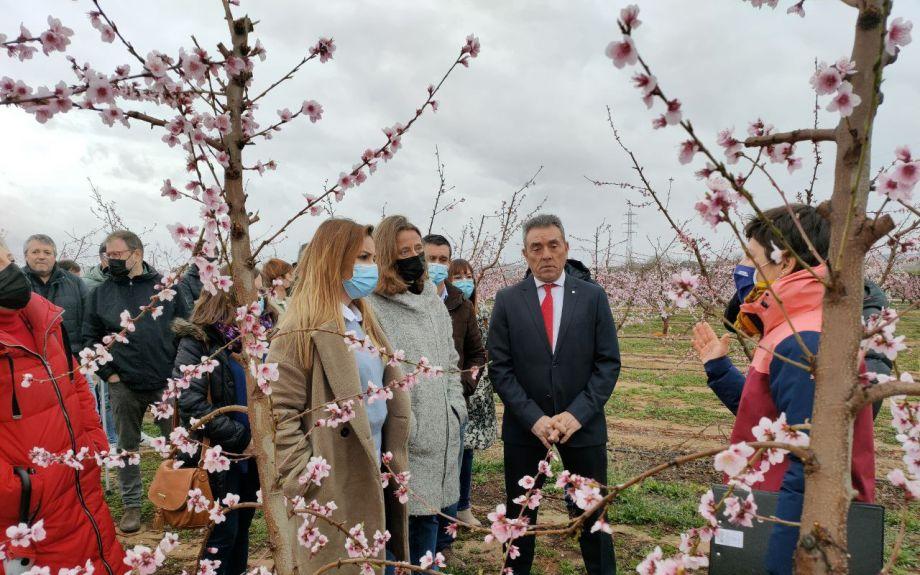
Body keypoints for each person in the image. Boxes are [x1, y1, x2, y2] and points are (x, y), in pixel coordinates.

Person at [691, 204, 875, 575]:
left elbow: (809, 469)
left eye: (754, 259)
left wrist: (781, 563)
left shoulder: (805, 337)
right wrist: (719, 369)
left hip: (785, 520)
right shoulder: (796, 326)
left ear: (786, 263)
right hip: (771, 504)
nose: (748, 270)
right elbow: (777, 422)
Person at [270, 218, 411, 574]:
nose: (371, 267)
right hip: (334, 476)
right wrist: (304, 478)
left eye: (373, 258)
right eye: (362, 257)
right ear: (333, 259)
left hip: (374, 462)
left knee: (375, 558)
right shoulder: (299, 329)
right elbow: (280, 412)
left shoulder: (363, 319)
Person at [488, 214, 620, 575]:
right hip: (526, 429)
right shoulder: (508, 300)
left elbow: (607, 363)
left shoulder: (592, 297)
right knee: (520, 517)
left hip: (583, 426)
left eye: (552, 245)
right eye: (536, 247)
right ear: (525, 254)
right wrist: (534, 418)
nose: (545, 254)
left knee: (592, 514)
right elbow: (500, 368)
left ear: (565, 249)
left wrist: (577, 414)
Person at [0, 238, 127, 574]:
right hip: (28, 513)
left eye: (8, 260)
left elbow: (74, 383)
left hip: (79, 483)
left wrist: (92, 440)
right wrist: (19, 489)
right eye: (1, 265)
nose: (9, 271)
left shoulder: (44, 320)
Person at [368, 216, 467, 566]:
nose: (413, 257)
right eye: (403, 251)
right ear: (385, 255)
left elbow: (451, 358)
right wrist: (408, 423)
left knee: (431, 531)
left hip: (443, 432)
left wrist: (456, 406)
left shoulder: (429, 297)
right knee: (404, 536)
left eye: (417, 250)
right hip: (406, 438)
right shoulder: (374, 305)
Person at [82, 230, 189, 533]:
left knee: (176, 443)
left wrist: (179, 370)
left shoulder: (165, 288)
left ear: (137, 254)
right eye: (107, 255)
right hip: (124, 384)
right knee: (127, 448)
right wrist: (109, 375)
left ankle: (175, 500)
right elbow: (89, 339)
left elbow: (185, 329)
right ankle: (131, 505)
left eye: (117, 255)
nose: (110, 260)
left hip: (165, 381)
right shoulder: (100, 294)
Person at [173, 272, 275, 575]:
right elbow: (191, 403)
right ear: (226, 298)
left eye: (260, 294)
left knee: (242, 523)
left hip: (255, 454)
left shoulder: (263, 338)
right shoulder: (199, 342)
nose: (257, 302)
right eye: (249, 295)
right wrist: (241, 439)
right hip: (222, 453)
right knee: (223, 531)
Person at [422, 235, 487, 548]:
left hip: (453, 406)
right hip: (417, 408)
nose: (436, 265)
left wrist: (462, 387)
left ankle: (443, 543)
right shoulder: (408, 301)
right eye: (430, 258)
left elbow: (477, 355)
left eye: (442, 260)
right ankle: (419, 544)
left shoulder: (460, 304)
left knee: (451, 473)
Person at [449, 258, 496, 527]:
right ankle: (453, 504)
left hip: (478, 393)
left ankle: (463, 504)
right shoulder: (448, 309)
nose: (464, 281)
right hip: (457, 388)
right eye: (458, 277)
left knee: (467, 452)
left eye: (468, 276)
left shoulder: (484, 312)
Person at [22, 234, 88, 356]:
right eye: (35, 252)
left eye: (47, 252)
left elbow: (89, 319)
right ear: (26, 256)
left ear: (54, 257)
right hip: (30, 357)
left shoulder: (75, 282)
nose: (41, 256)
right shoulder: (15, 282)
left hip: (71, 355)